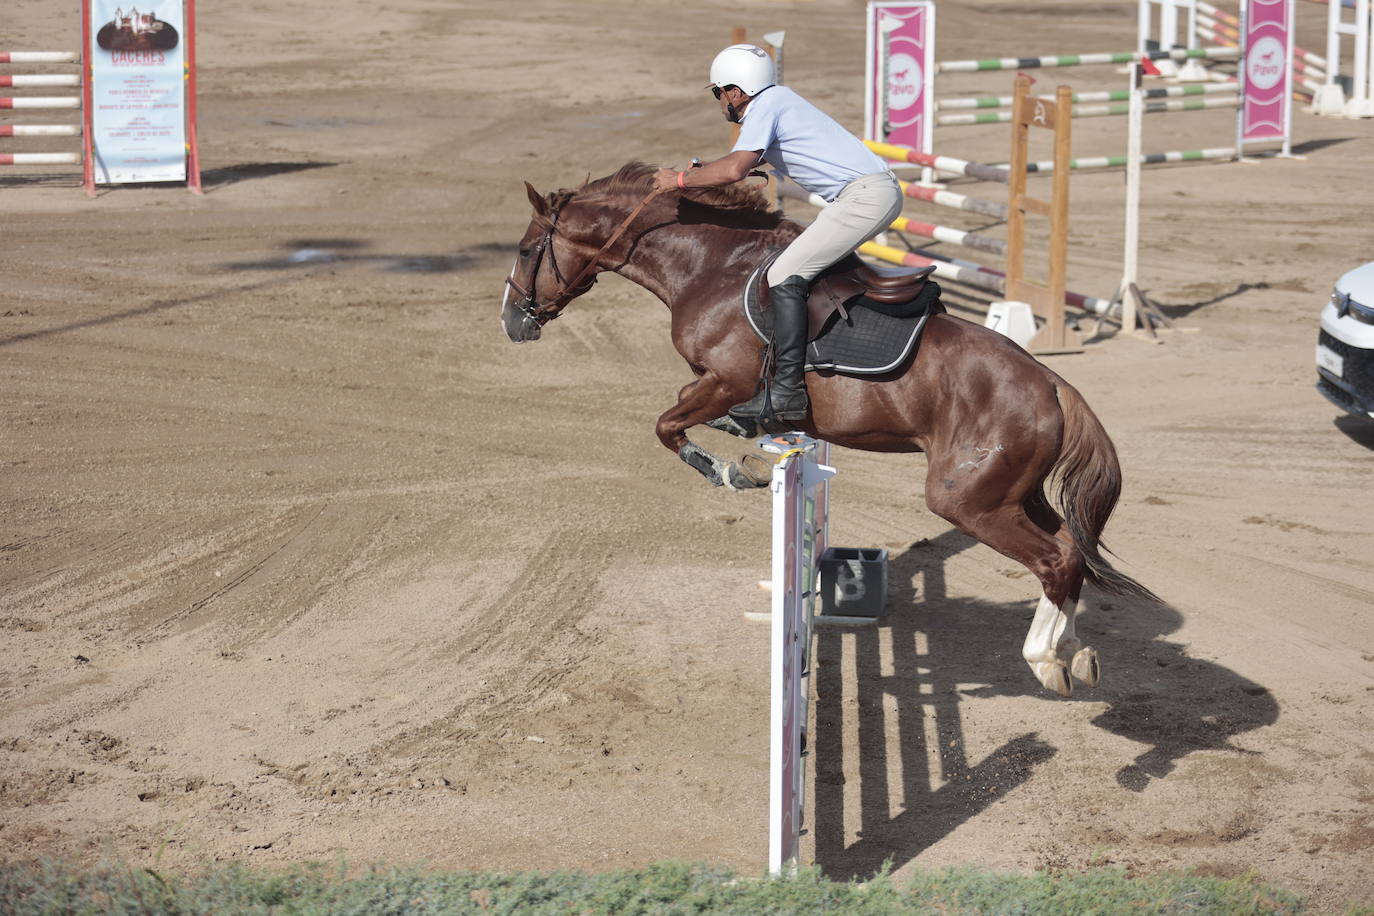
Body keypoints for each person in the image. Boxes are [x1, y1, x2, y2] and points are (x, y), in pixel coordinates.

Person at [653, 43, 903, 428]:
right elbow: (745, 161)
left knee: (784, 274)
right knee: (800, 264)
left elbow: (735, 168)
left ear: (735, 91)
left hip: (864, 198)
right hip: (867, 194)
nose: (720, 102)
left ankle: (787, 392)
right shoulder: (777, 100)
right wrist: (707, 169)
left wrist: (680, 179)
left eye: (719, 92)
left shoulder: (764, 106)